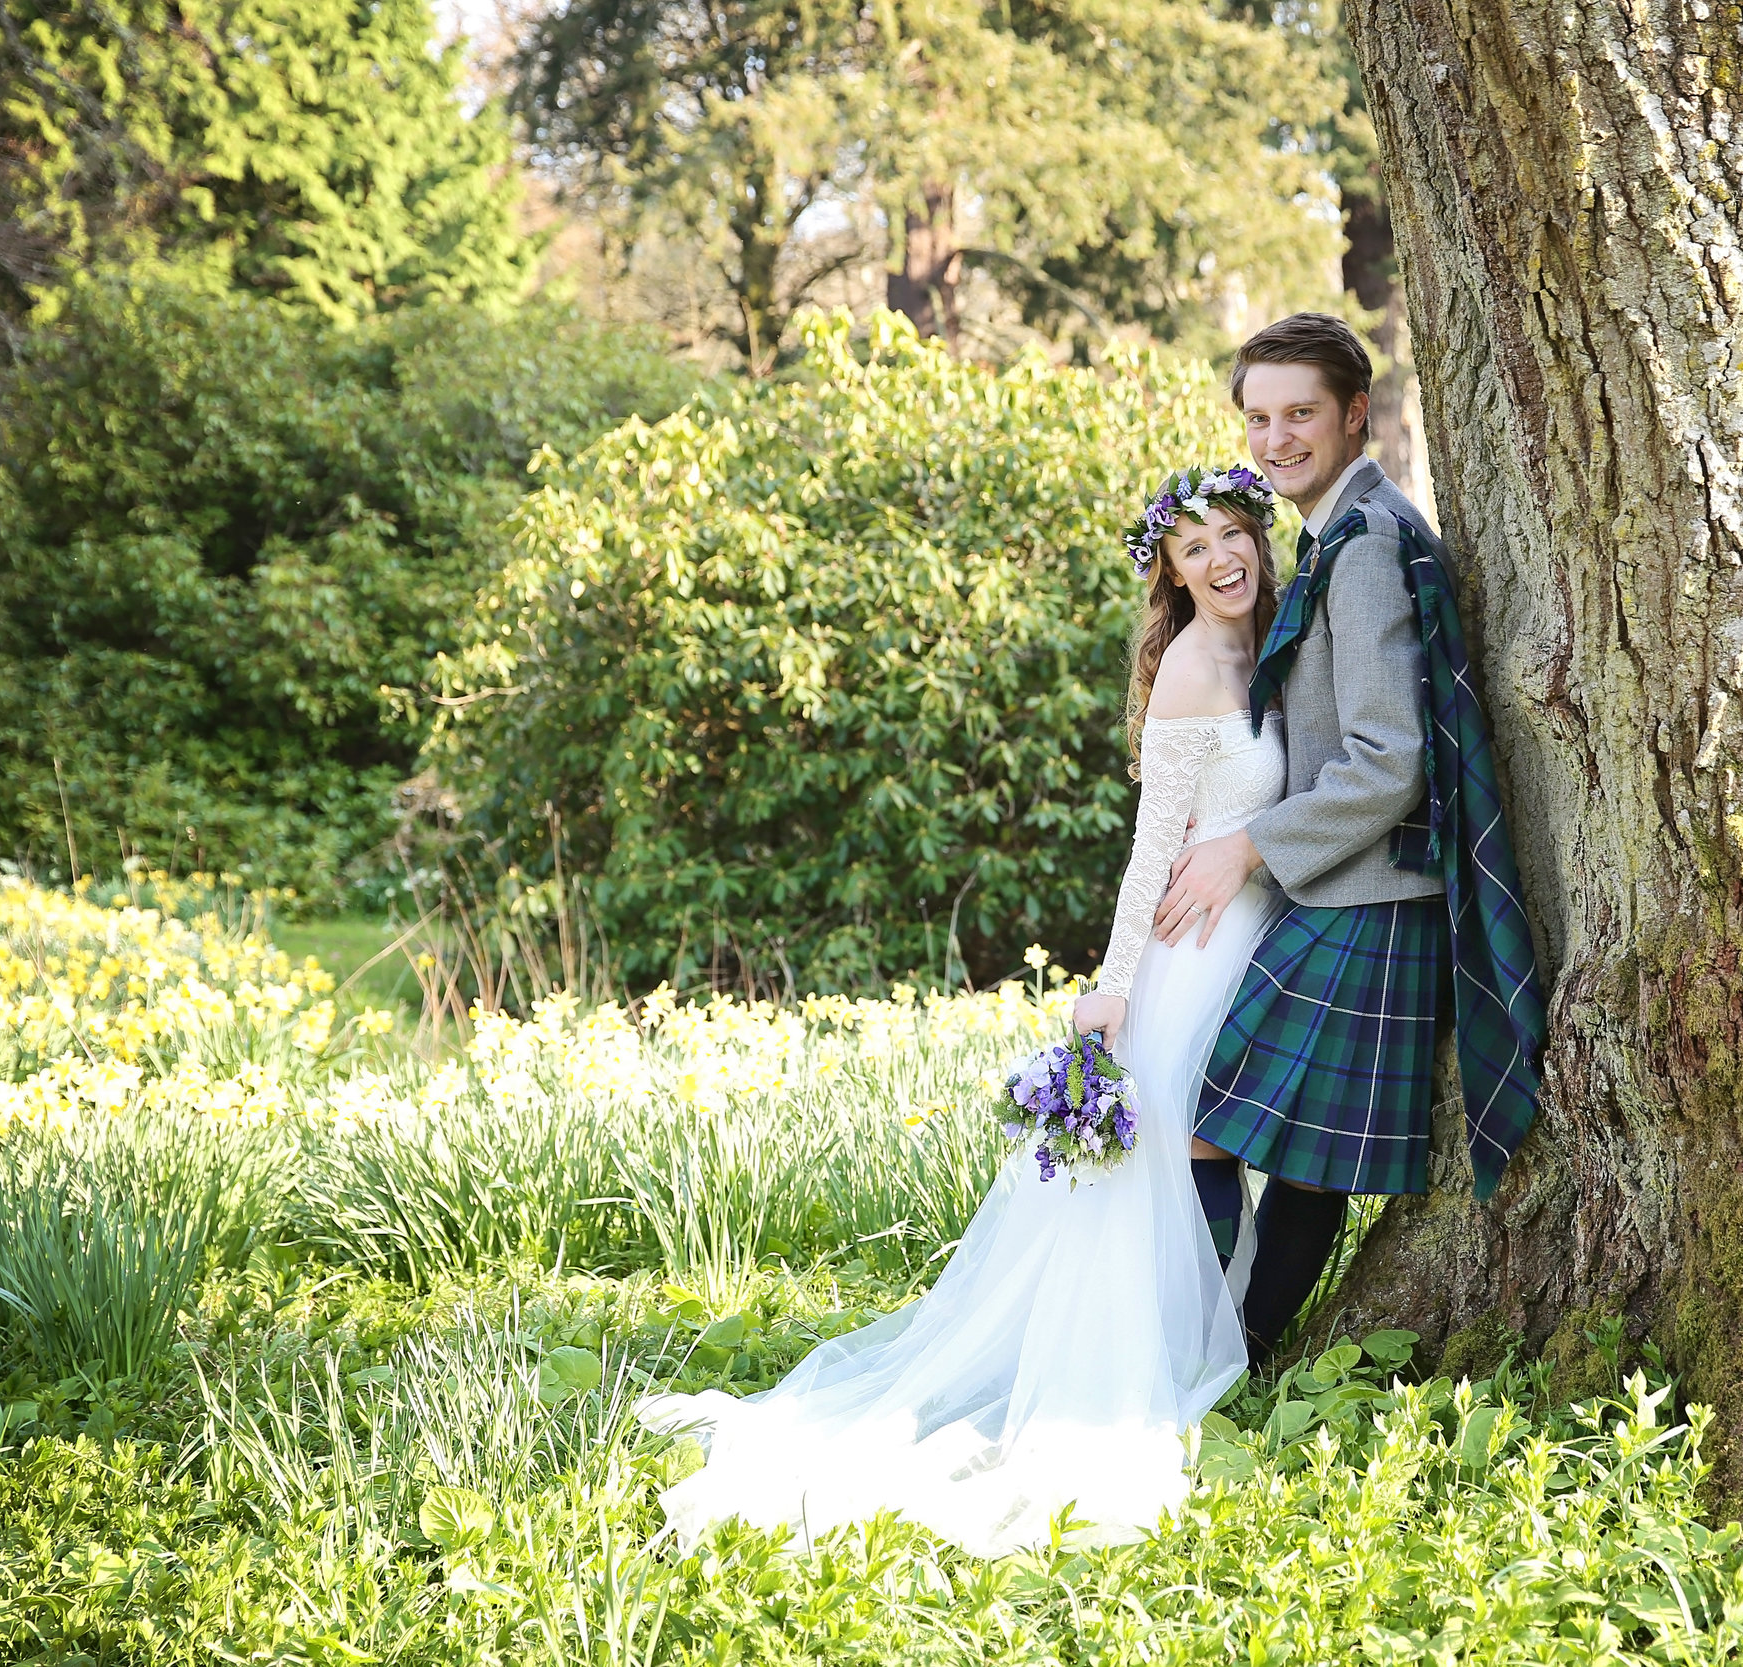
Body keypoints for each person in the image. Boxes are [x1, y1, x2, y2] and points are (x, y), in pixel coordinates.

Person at [634, 465, 1292, 1557]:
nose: (1221, 556)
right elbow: (1149, 849)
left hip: (1260, 933)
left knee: (1214, 1149)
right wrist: (1115, 981)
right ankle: (1197, 1355)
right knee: (1184, 1156)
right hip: (1195, 946)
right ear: (1169, 577)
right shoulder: (1187, 667)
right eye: (1193, 548)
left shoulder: (1272, 635)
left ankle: (1222, 1342)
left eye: (1233, 533)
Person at [1154, 312, 1549, 1371]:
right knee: (1290, 1150)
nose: (1276, 438)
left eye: (1299, 415)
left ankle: (1215, 1350)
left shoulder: (1366, 544)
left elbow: (1387, 760)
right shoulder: (1337, 525)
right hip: (1348, 890)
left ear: (1353, 415)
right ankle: (1225, 1347)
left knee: (1222, 1119)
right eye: (1258, 418)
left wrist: (1244, 848)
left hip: (1367, 895)